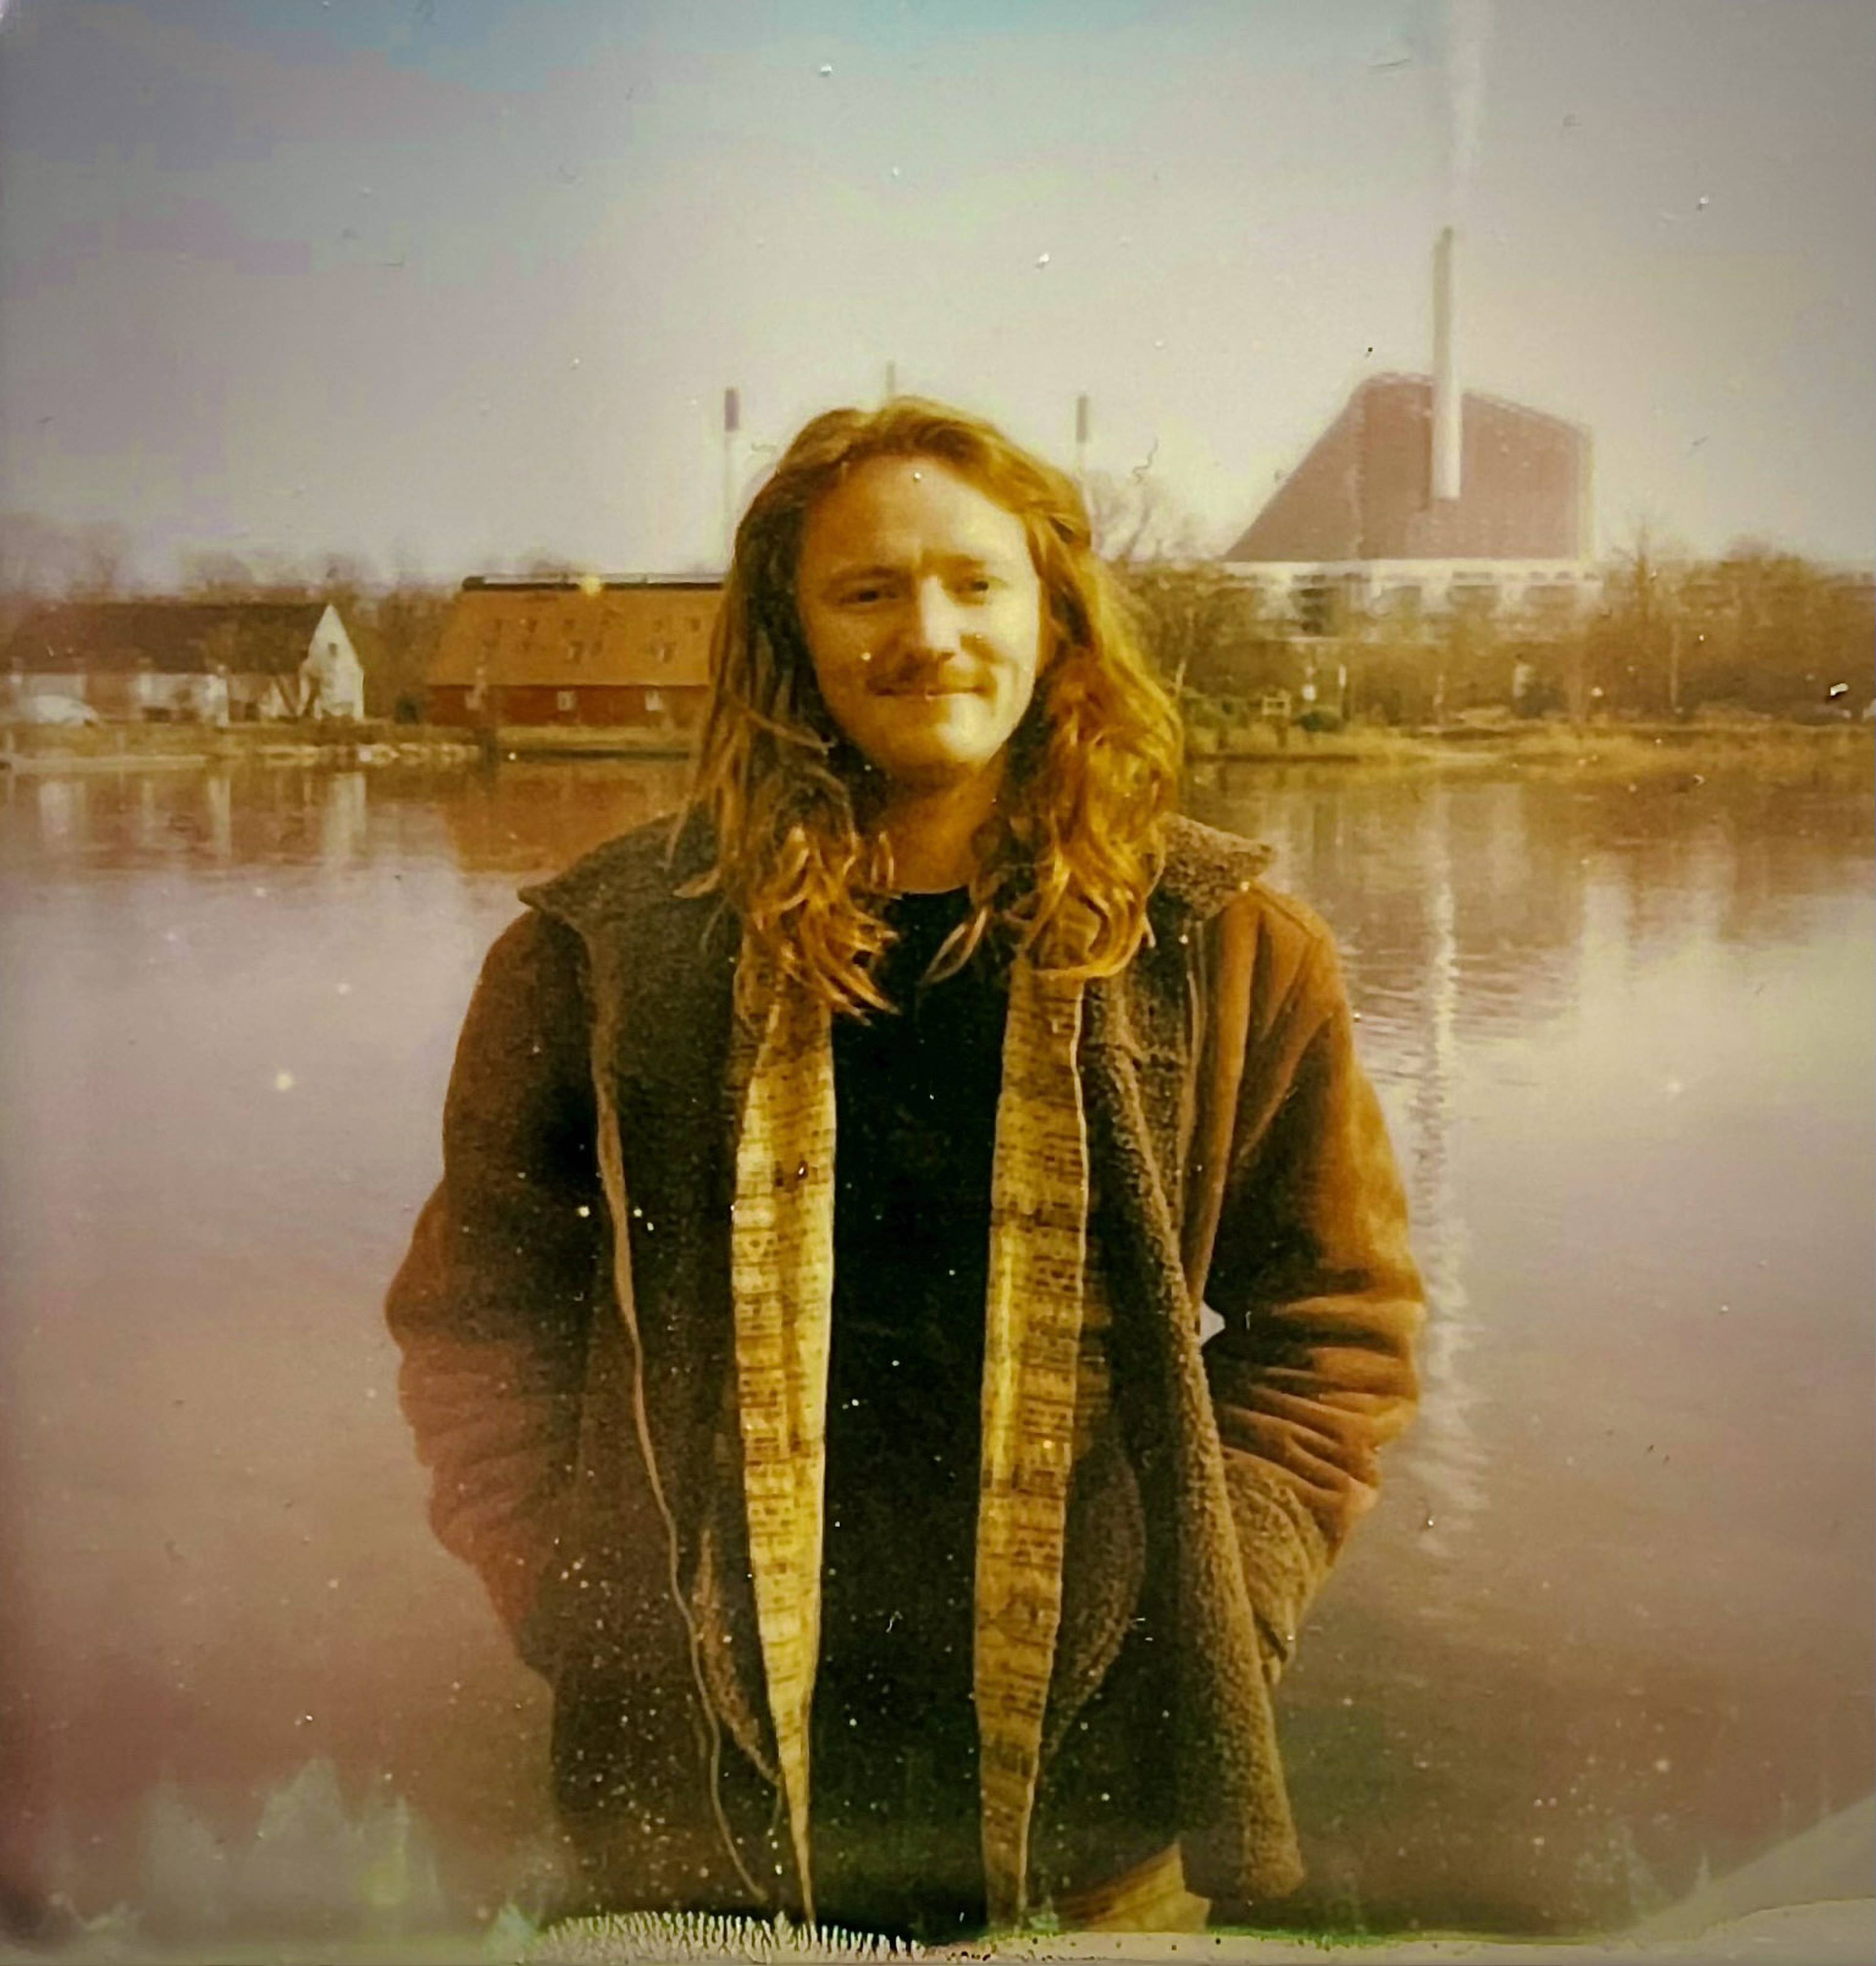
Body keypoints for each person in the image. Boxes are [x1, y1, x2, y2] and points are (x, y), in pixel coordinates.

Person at [385, 398, 1423, 1943]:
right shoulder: (596, 952)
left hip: (1096, 1801)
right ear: (788, 634)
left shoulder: (1224, 945)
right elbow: (477, 1323)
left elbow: (1339, 1328)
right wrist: (575, 1601)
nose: (926, 632)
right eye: (867, 590)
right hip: (702, 1805)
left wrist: (1222, 1606)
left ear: (1053, 614)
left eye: (973, 583)